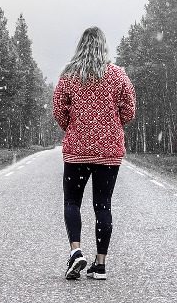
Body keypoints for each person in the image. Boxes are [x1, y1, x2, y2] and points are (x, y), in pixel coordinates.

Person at [52, 26, 136, 280]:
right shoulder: (118, 75)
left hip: (77, 150)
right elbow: (129, 111)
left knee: (72, 202)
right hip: (109, 152)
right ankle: (100, 265)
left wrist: (74, 127)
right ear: (104, 46)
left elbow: (59, 109)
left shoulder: (69, 75)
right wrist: (111, 124)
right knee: (103, 205)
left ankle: (76, 251)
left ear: (81, 46)